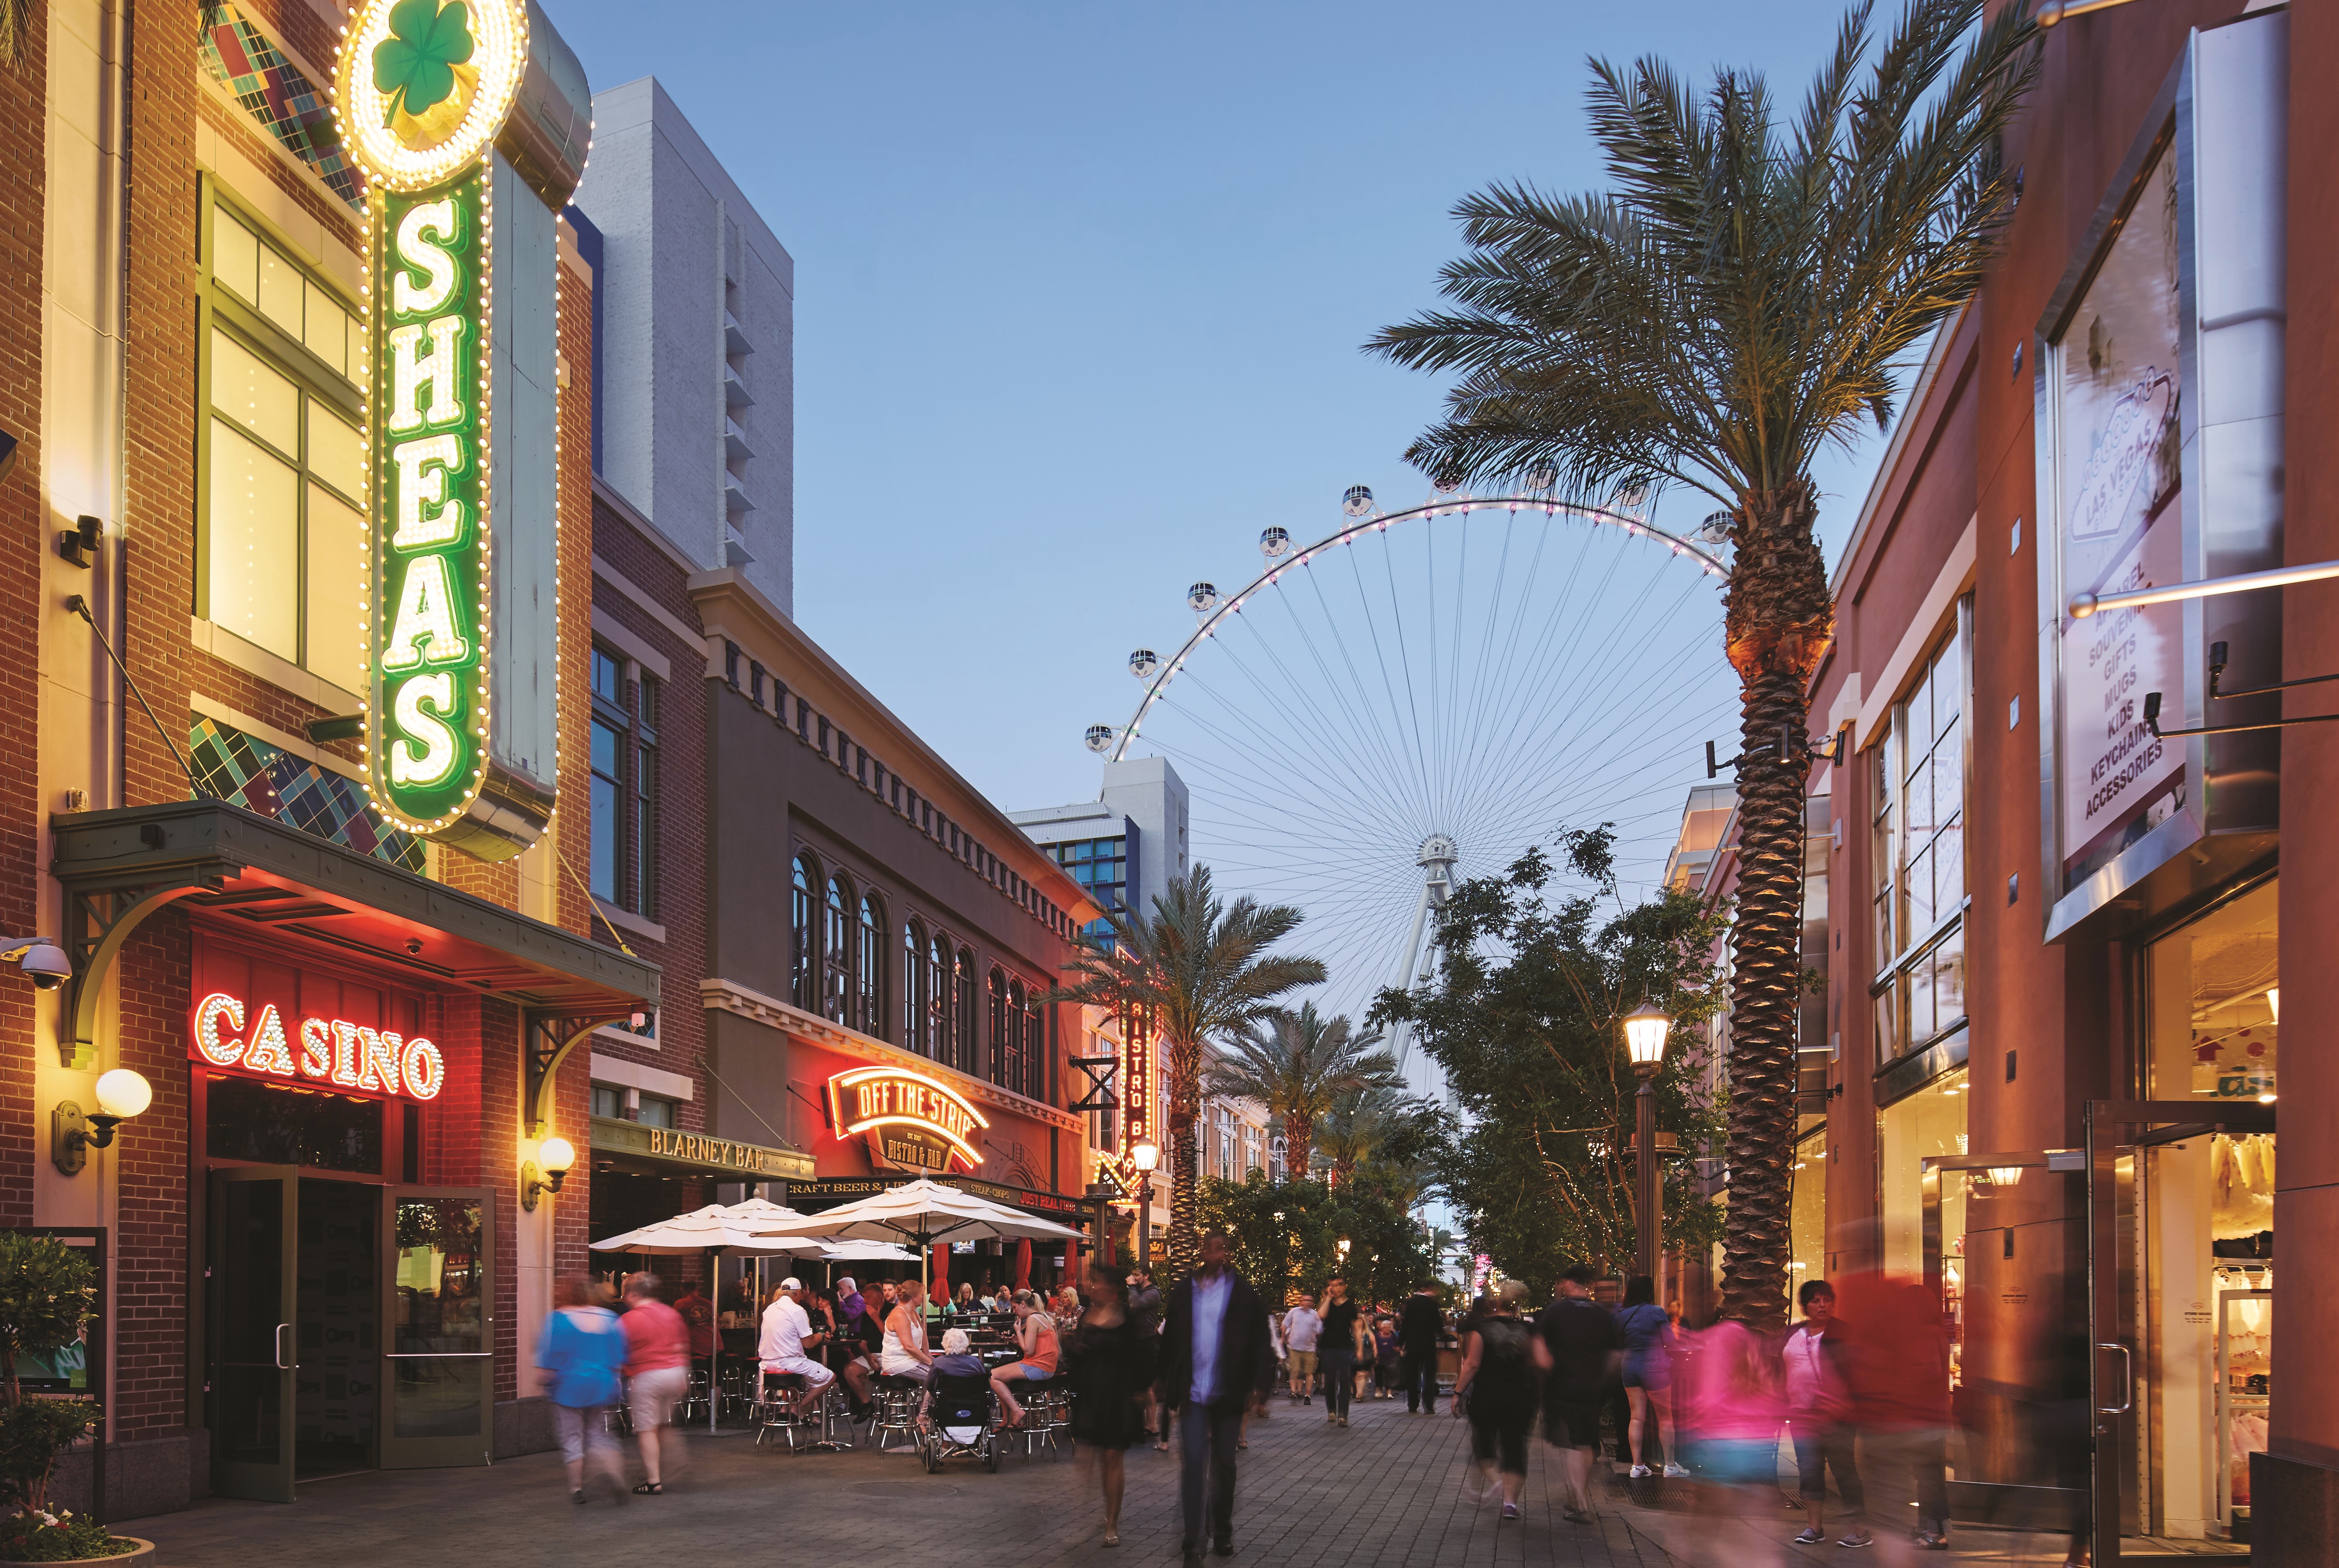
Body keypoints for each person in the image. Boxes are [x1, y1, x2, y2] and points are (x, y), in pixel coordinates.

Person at [1157, 1231, 1276, 1567]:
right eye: (1208, 1248)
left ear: (1227, 1253)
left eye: (1220, 1248)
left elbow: (1259, 1341)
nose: (1214, 1253)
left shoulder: (1244, 1293)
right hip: (1193, 1391)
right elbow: (1170, 1340)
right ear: (1201, 1252)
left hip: (1228, 1391)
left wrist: (1260, 1386)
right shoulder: (1184, 1291)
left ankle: (1222, 1529)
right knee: (1194, 1463)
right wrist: (1161, 1379)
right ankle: (1193, 1541)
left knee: (1225, 1464)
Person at [1061, 1263, 1159, 1547]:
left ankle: (1112, 1522)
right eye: (1092, 1282)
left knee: (1113, 1458)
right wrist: (1073, 1349)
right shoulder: (1088, 1316)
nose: (1093, 1287)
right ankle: (1097, 1508)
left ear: (1113, 1287)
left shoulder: (1127, 1319)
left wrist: (1141, 1389)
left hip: (1118, 1397)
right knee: (1089, 1456)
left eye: (1098, 1282)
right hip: (1092, 1397)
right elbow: (1080, 1355)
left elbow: (1143, 1355)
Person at [1455, 1279, 1550, 1520]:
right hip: (1522, 1396)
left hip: (1488, 1394)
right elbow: (1544, 1362)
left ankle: (1496, 1482)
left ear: (1490, 1305)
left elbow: (1473, 1364)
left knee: (1484, 1444)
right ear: (1516, 1307)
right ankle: (1510, 1504)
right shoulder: (1529, 1329)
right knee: (1515, 1448)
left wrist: (1457, 1393)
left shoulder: (1479, 1329)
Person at [1536, 1264, 1623, 1524]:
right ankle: (1578, 1493)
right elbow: (1616, 1355)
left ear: (1567, 1283)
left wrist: (1548, 1375)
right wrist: (1602, 1381)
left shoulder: (1555, 1312)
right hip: (1592, 1389)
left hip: (1564, 1386)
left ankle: (1581, 1502)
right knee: (1585, 1442)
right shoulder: (1602, 1314)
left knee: (1571, 1445)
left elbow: (1540, 1352)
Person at [1784, 1279, 1868, 1548]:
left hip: (1836, 1417)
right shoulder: (1793, 1333)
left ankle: (1859, 1530)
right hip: (1802, 1415)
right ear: (1805, 1306)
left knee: (1844, 1471)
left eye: (1826, 1300)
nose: (1822, 1305)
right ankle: (1814, 1527)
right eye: (1815, 1300)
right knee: (1809, 1470)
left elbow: (1858, 1374)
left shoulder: (1844, 1332)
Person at [536, 1274, 629, 1504]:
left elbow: (547, 1361)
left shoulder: (556, 1320)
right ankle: (616, 1475)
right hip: (602, 1385)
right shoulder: (609, 1319)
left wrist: (544, 1381)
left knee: (573, 1437)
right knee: (599, 1436)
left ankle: (577, 1489)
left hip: (569, 1387)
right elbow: (619, 1357)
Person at [619, 1273, 690, 1495]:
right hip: (676, 1373)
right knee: (662, 1423)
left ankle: (653, 1481)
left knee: (647, 1429)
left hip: (648, 1377)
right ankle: (677, 1458)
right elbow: (683, 1344)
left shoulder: (629, 1319)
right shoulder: (671, 1313)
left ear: (632, 1294)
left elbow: (619, 1353)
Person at [1617, 1274, 1684, 1478]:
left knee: (1636, 1417)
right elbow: (1670, 1342)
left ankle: (1637, 1466)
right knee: (1665, 1418)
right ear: (1649, 1291)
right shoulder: (1656, 1312)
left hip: (1629, 1365)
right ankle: (1670, 1466)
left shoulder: (1622, 1313)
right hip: (1654, 1366)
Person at [757, 1276, 834, 1416]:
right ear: (798, 1293)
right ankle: (798, 1408)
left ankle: (787, 1410)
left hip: (767, 1365)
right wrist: (821, 1335)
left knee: (806, 1379)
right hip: (788, 1363)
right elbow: (809, 1343)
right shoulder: (796, 1310)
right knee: (829, 1377)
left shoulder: (769, 1309)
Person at [993, 1288, 1060, 1427]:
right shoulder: (1042, 1317)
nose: (1014, 1311)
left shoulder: (1033, 1319)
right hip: (1046, 1366)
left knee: (991, 1376)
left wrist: (1018, 1332)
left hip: (1038, 1366)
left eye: (1015, 1307)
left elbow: (1029, 1350)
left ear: (1023, 1304)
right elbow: (1034, 1346)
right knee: (999, 1376)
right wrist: (1018, 1341)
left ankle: (1016, 1411)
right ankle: (1007, 1418)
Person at [1319, 1277, 1363, 1428]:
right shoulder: (1327, 1303)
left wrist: (1359, 1348)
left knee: (1345, 1381)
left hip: (1345, 1347)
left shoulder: (1350, 1306)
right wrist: (1327, 1298)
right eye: (1331, 1286)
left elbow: (1356, 1328)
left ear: (1344, 1287)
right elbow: (1321, 1316)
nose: (1335, 1288)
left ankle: (1343, 1415)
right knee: (1330, 1381)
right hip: (1328, 1347)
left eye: (1337, 1285)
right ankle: (1332, 1410)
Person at [1399, 1282, 1445, 1415]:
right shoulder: (1432, 1304)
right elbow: (1437, 1324)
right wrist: (1443, 1337)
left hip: (1413, 1344)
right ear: (1429, 1289)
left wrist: (1401, 1341)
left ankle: (1412, 1404)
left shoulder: (1412, 1303)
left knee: (1413, 1375)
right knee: (1429, 1375)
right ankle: (1429, 1405)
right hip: (1428, 1344)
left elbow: (1406, 1324)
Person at [880, 1278, 934, 1385]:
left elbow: (923, 1333)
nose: (923, 1298)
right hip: (898, 1363)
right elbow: (909, 1346)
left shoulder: (914, 1312)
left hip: (911, 1360)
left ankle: (929, 1401)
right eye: (921, 1295)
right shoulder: (900, 1314)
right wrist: (930, 1363)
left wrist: (927, 1354)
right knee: (936, 1376)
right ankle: (929, 1402)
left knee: (942, 1372)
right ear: (914, 1297)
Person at [1282, 1293, 1321, 1405]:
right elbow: (1284, 1325)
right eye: (1306, 1300)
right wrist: (1283, 1338)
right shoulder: (1294, 1312)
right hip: (1294, 1347)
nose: (1308, 1302)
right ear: (1301, 1301)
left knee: (1309, 1372)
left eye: (1311, 1301)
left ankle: (1307, 1395)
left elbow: (1319, 1331)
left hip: (1310, 1348)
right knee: (1294, 1370)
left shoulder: (1315, 1315)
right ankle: (1294, 1392)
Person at [1372, 1317, 1401, 1398]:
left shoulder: (1394, 1336)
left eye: (1387, 1328)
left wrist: (1397, 1350)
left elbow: (1397, 1346)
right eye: (1384, 1327)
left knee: (1390, 1375)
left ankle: (1389, 1392)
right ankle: (1379, 1391)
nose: (1385, 1329)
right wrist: (1375, 1355)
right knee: (1379, 1375)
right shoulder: (1377, 1336)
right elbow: (1375, 1346)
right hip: (1380, 1358)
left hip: (1391, 1359)